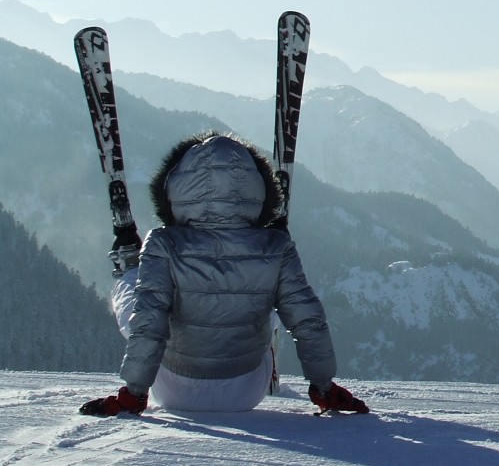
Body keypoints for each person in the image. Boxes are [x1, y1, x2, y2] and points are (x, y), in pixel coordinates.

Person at [80, 132, 368, 416]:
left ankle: (128, 263)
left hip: (172, 389)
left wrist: (133, 393)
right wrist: (324, 386)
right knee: (273, 297)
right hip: (246, 390)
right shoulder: (277, 247)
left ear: (176, 189)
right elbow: (308, 320)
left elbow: (148, 323)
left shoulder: (162, 242)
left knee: (135, 293)